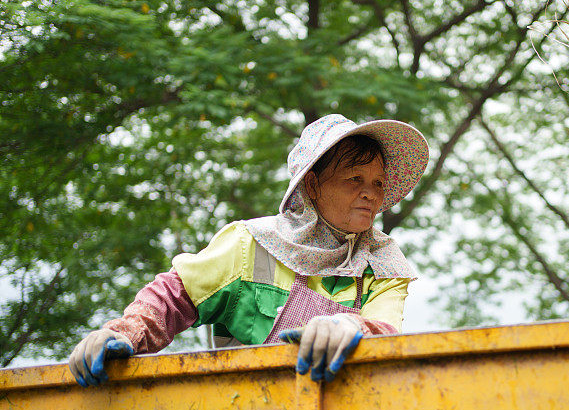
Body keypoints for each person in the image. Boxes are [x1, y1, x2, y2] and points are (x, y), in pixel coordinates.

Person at [68, 114, 428, 386]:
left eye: (378, 182)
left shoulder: (385, 264)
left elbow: (385, 330)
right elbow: (174, 296)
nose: (371, 193)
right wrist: (124, 332)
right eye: (355, 178)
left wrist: (351, 326)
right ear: (313, 183)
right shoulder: (250, 243)